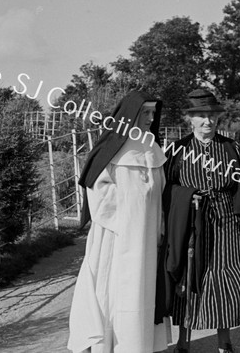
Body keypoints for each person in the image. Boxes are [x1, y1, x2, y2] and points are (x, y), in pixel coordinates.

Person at [163, 89, 240, 353]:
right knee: (190, 278)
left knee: (226, 279)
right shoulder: (178, 150)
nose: (207, 122)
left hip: (228, 223)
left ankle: (224, 342)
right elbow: (166, 190)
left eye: (212, 116)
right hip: (192, 224)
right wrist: (185, 199)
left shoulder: (231, 148)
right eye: (201, 116)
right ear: (189, 119)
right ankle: (182, 342)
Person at [67, 91, 171, 353]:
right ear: (130, 115)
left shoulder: (153, 147)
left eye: (153, 113)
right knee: (114, 292)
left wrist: (157, 223)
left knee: (144, 289)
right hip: (116, 238)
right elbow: (97, 188)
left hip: (147, 237)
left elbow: (159, 192)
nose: (150, 118)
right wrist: (125, 222)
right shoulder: (112, 148)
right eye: (145, 112)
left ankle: (140, 345)